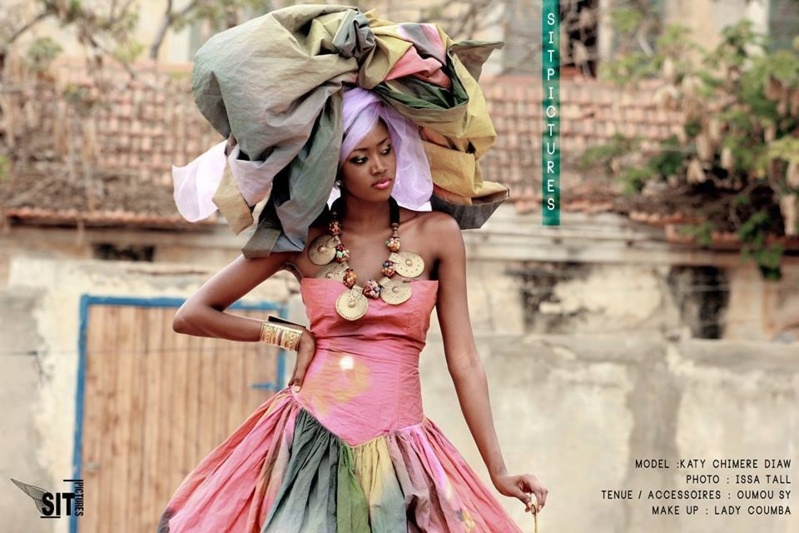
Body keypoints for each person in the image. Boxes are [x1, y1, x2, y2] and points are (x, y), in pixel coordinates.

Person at [157, 87, 547, 532]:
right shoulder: (301, 237)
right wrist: (290, 335)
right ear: (335, 169)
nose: (380, 167)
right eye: (360, 158)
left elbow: (465, 361)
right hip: (311, 442)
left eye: (385, 149)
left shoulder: (438, 234)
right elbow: (193, 313)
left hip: (404, 449)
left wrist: (497, 470)